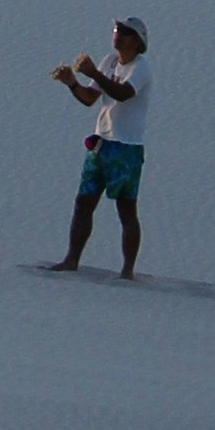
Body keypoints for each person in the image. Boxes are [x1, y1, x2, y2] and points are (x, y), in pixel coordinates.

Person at [52, 18, 151, 273]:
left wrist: (94, 74)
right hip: (101, 143)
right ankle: (71, 260)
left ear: (137, 41)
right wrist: (72, 82)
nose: (117, 35)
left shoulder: (141, 68)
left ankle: (127, 270)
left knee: (126, 209)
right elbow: (89, 98)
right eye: (116, 30)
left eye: (125, 32)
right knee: (83, 202)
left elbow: (123, 94)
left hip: (126, 147)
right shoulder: (109, 61)